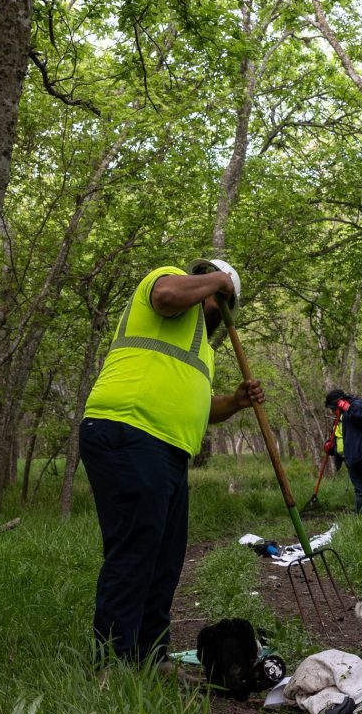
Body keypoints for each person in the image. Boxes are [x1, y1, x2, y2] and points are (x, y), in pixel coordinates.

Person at [79, 257, 264, 668]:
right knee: (136, 549)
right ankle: (115, 663)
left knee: (165, 556)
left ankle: (152, 656)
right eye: (218, 298)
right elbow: (167, 294)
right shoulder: (162, 287)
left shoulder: (203, 350)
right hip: (128, 430)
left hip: (168, 449)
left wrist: (234, 402)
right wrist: (220, 279)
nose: (215, 308)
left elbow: (202, 410)